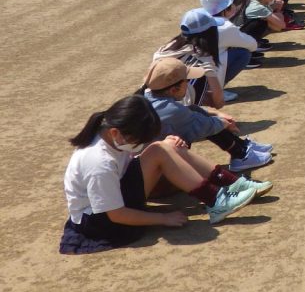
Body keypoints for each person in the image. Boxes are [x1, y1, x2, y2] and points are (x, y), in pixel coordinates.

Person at [60, 94, 270, 254]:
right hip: (104, 224)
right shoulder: (98, 162)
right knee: (159, 150)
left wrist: (167, 145)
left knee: (164, 147)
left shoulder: (108, 134)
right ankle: (217, 200)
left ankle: (232, 186)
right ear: (116, 133)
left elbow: (133, 158)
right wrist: (162, 218)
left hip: (114, 198)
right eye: (138, 140)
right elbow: (116, 214)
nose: (140, 145)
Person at [142, 58, 273, 172]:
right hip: (159, 177)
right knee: (206, 123)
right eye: (186, 80)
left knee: (197, 115)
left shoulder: (148, 97)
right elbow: (207, 126)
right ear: (173, 89)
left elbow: (189, 111)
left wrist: (214, 113)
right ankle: (241, 154)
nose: (188, 83)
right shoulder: (171, 110)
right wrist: (224, 122)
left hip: (147, 168)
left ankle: (241, 147)